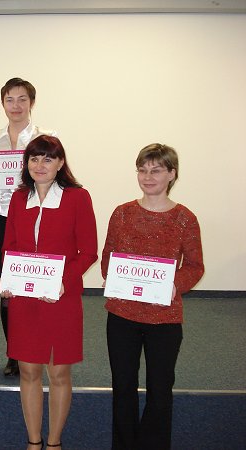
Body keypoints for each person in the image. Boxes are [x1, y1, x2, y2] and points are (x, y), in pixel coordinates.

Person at [0, 135, 98, 449]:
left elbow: (88, 251)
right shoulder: (18, 198)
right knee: (28, 371)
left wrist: (62, 281)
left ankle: (53, 442)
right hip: (25, 298)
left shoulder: (77, 197)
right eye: (34, 158)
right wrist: (6, 278)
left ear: (60, 163)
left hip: (61, 297)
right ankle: (33, 441)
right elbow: (10, 246)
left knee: (58, 373)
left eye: (48, 158)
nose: (40, 165)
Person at [101, 143, 204, 450]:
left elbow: (195, 266)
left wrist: (175, 285)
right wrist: (116, 277)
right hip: (122, 315)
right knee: (123, 387)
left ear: (172, 174)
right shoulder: (122, 213)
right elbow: (108, 259)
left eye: (156, 170)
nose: (147, 177)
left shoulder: (185, 218)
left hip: (165, 317)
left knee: (160, 390)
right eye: (142, 170)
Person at [0, 77, 56, 377]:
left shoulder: (46, 137)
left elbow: (54, 178)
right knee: (8, 287)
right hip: (1, 217)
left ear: (32, 103)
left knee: (36, 283)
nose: (16, 106)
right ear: (3, 103)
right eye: (10, 100)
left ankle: (38, 347)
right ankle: (14, 353)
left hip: (34, 217)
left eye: (22, 99)